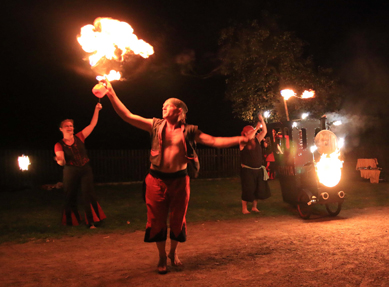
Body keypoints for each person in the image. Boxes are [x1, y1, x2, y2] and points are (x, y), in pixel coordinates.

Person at [100, 79, 248, 274]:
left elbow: (213, 140)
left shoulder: (189, 131)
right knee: (156, 220)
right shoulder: (155, 125)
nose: (163, 107)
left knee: (178, 220)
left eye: (167, 105)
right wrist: (111, 93)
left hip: (180, 180)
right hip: (155, 180)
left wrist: (239, 139)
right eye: (163, 105)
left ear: (179, 110)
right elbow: (127, 116)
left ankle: (173, 253)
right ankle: (162, 256)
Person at [54, 103, 106, 229]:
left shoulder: (80, 137)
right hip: (70, 170)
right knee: (70, 194)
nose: (69, 127)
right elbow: (62, 162)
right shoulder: (59, 145)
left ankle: (91, 222)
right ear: (61, 129)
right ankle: (72, 220)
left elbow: (92, 124)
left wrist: (96, 110)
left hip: (85, 169)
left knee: (88, 194)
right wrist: (60, 160)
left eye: (71, 126)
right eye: (66, 126)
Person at [239, 114, 271, 214]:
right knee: (248, 189)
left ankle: (254, 207)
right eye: (250, 131)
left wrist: (262, 120)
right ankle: (244, 209)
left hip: (258, 170)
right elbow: (249, 137)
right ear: (245, 133)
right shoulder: (242, 141)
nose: (253, 132)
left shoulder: (256, 140)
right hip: (248, 170)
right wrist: (257, 127)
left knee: (257, 189)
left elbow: (265, 131)